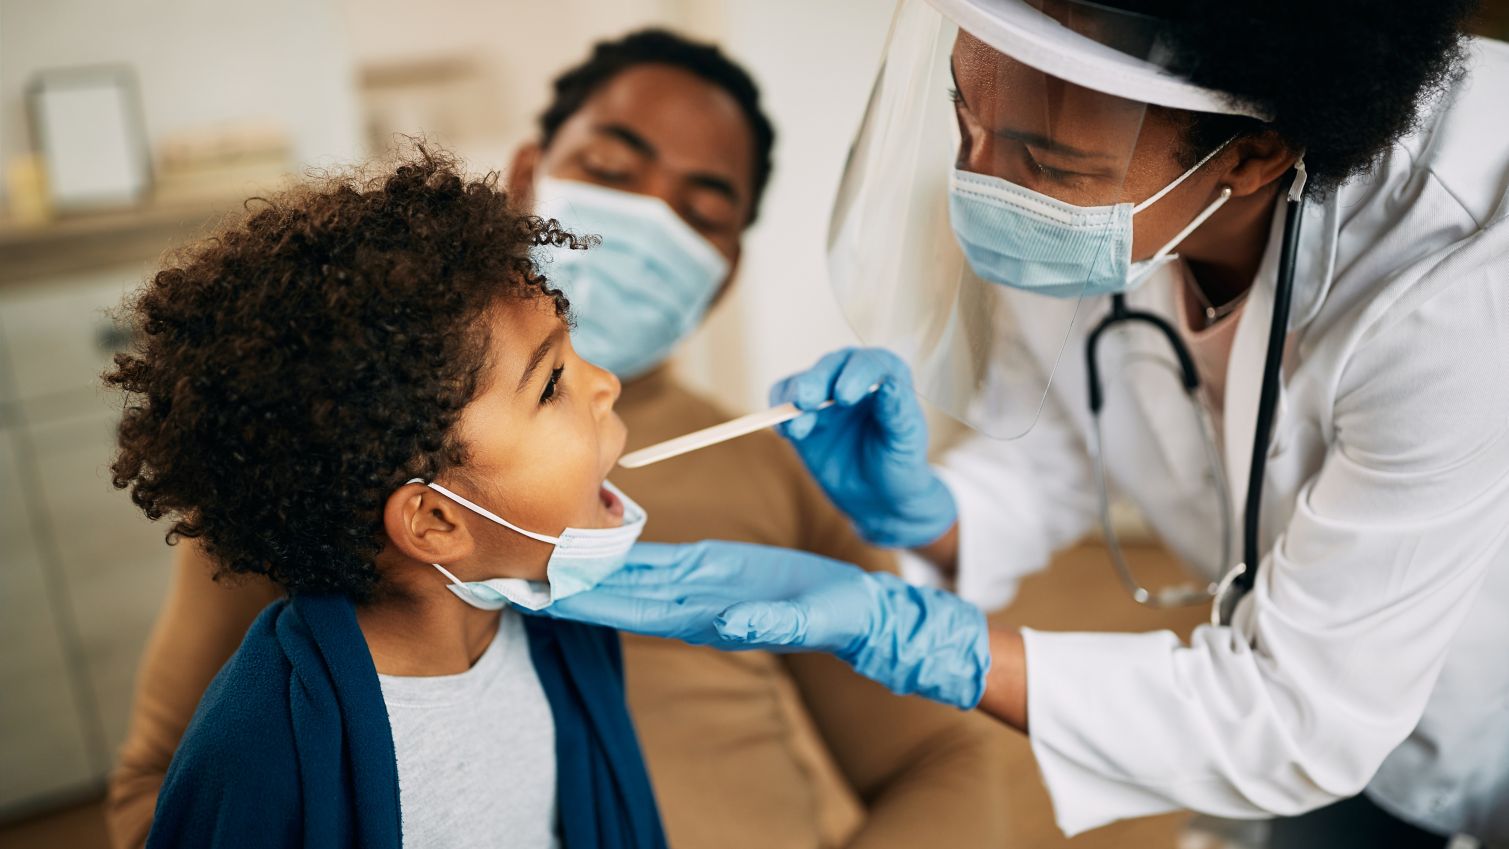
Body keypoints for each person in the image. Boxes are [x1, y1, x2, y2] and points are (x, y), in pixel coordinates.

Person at [532, 2, 1509, 847]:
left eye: (1046, 161)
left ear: (1252, 152)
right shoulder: (1088, 183)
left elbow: (1295, 721)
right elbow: (1057, 453)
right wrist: (931, 519)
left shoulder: (1460, 285)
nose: (990, 189)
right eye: (967, 125)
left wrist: (917, 637)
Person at [105, 29, 1012, 849]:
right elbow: (164, 787)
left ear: (729, 262)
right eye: (615, 170)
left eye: (701, 209)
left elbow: (945, 758)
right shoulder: (317, 462)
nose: (648, 222)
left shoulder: (785, 460)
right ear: (529, 175)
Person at [105, 146, 664, 848]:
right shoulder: (253, 753)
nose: (605, 381)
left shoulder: (567, 633)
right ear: (433, 520)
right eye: (550, 383)